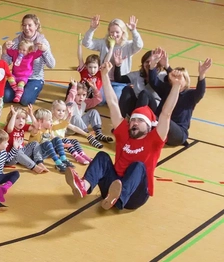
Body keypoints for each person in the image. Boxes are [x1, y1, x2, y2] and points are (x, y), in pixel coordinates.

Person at [65, 62, 184, 210]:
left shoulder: (154, 139)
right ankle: (84, 186)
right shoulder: (124, 133)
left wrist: (176, 86)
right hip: (112, 186)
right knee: (102, 156)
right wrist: (104, 75)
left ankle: (119, 197)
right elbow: (113, 103)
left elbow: (166, 114)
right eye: (133, 119)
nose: (134, 122)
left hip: (135, 196)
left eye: (139, 120)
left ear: (148, 127)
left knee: (138, 166)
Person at [147, 52, 211, 146]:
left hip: (177, 133)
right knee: (145, 95)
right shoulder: (167, 89)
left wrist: (202, 74)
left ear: (186, 80)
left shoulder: (190, 95)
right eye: (175, 78)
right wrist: (153, 65)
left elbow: (200, 92)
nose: (177, 79)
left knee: (163, 118)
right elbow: (153, 81)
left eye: (180, 77)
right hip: (159, 128)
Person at [3, 14, 54, 105]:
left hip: (34, 78)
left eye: (30, 25)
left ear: (36, 26)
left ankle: (32, 91)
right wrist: (5, 50)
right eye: (24, 25)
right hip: (17, 78)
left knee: (25, 100)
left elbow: (52, 65)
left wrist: (45, 50)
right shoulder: (17, 41)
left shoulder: (42, 42)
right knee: (5, 97)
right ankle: (20, 91)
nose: (26, 28)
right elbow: (6, 63)